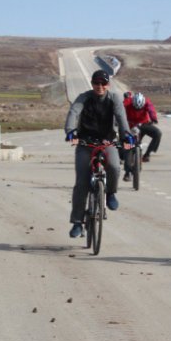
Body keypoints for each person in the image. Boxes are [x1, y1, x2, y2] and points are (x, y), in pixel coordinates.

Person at [64, 69, 133, 239]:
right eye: (96, 83)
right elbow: (73, 113)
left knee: (115, 167)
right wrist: (71, 131)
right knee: (81, 183)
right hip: (85, 144)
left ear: (108, 84)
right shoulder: (84, 97)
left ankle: (110, 193)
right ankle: (78, 222)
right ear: (92, 83)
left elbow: (121, 117)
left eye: (103, 83)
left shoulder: (114, 98)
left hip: (106, 142)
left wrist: (127, 135)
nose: (100, 86)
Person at [122, 92, 161, 180]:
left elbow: (151, 110)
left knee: (157, 133)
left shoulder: (147, 102)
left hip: (144, 125)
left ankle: (147, 155)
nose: (137, 109)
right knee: (128, 147)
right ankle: (127, 172)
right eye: (135, 108)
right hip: (131, 126)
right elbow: (119, 111)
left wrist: (154, 118)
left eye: (140, 108)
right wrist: (118, 121)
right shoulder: (127, 102)